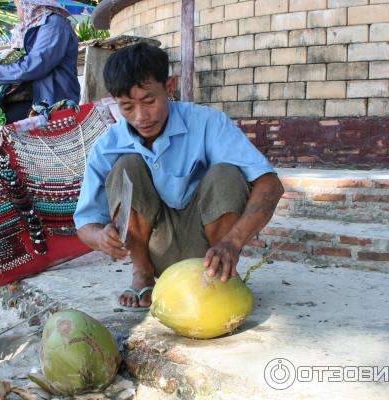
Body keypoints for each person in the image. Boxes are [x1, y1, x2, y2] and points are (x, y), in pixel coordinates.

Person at [73, 43, 284, 310]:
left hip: (209, 246)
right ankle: (143, 275)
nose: (141, 116)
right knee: (126, 166)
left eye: (149, 101)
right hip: (152, 248)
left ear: (169, 87)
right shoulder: (107, 146)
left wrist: (233, 241)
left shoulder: (208, 122)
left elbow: (270, 185)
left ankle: (221, 271)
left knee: (227, 173)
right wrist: (100, 238)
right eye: (127, 106)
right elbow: (85, 223)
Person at [0, 0, 80, 123]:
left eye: (17, 3)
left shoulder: (54, 25)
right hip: (33, 98)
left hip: (50, 102)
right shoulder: (33, 26)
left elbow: (34, 66)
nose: (16, 7)